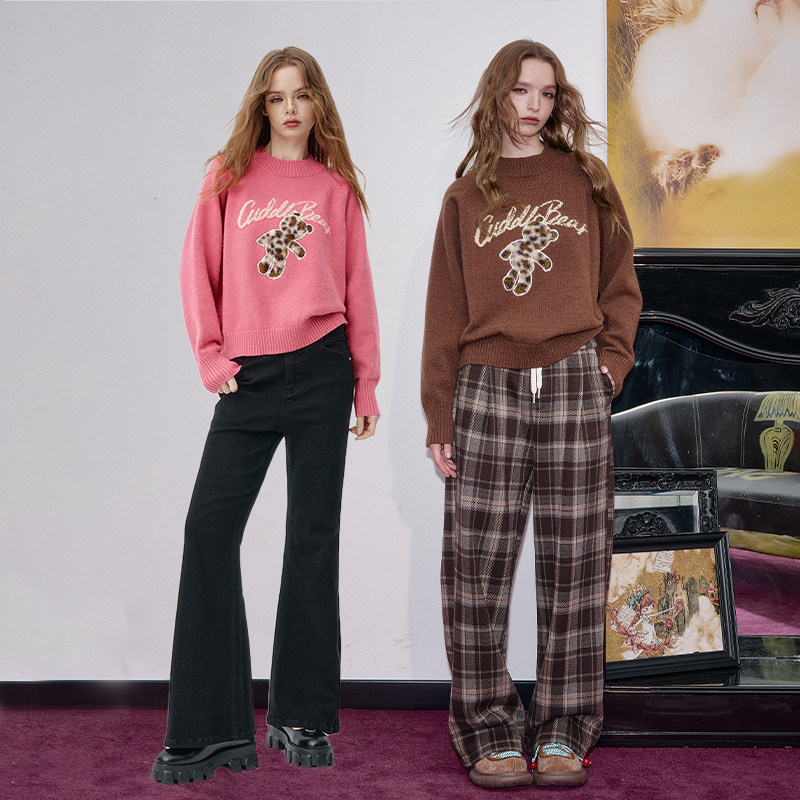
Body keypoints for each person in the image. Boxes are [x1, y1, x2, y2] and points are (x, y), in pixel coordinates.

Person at [151, 47, 380, 785]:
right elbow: (196, 270)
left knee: (312, 537)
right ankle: (210, 728)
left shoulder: (335, 188)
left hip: (323, 367)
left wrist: (366, 383)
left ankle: (300, 714)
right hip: (245, 378)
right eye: (277, 97)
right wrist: (211, 357)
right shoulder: (227, 176)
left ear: (317, 105)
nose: (289, 108)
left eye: (302, 95)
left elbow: (358, 287)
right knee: (208, 530)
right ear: (261, 104)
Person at [421, 40, 641, 789]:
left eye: (547, 94)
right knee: (475, 567)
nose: (533, 106)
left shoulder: (586, 179)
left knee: (577, 562)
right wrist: (440, 413)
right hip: (486, 385)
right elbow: (444, 313)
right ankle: (488, 730)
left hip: (576, 379)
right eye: (521, 90)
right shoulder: (465, 197)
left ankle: (565, 731)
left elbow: (620, 281)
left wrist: (610, 364)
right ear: (497, 95)